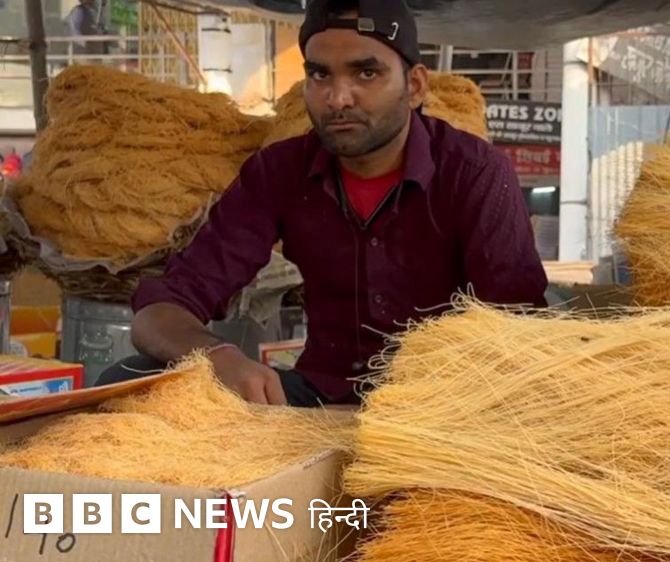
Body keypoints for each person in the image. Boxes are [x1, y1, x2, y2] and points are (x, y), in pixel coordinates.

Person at [97, 0, 548, 407]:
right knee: (131, 380)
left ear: (414, 86)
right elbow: (160, 312)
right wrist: (218, 356)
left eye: (366, 73)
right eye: (320, 74)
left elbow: (518, 329)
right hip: (319, 399)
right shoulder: (279, 171)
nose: (338, 98)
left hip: (444, 410)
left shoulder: (475, 172)